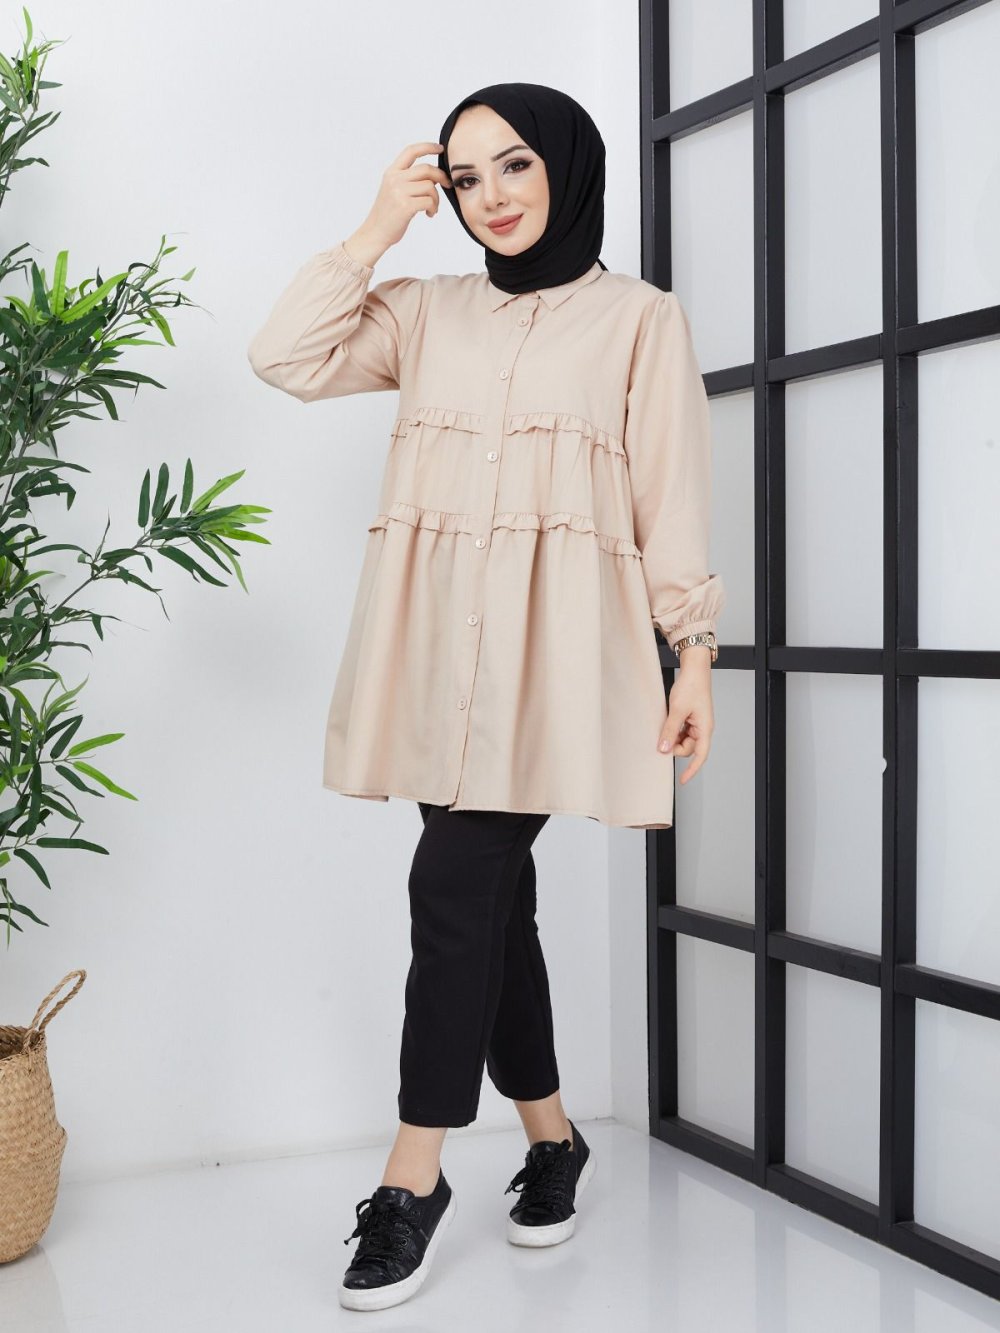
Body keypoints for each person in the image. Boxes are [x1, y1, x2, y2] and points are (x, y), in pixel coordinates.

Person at [247, 81, 725, 1313]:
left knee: (451, 890)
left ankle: (412, 1178)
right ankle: (553, 1140)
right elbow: (283, 356)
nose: (491, 197)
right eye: (464, 178)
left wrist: (692, 653)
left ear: (565, 164)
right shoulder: (424, 312)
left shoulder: (639, 320)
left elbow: (670, 494)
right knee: (491, 906)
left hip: (558, 662)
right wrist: (374, 231)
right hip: (433, 658)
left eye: (514, 165)